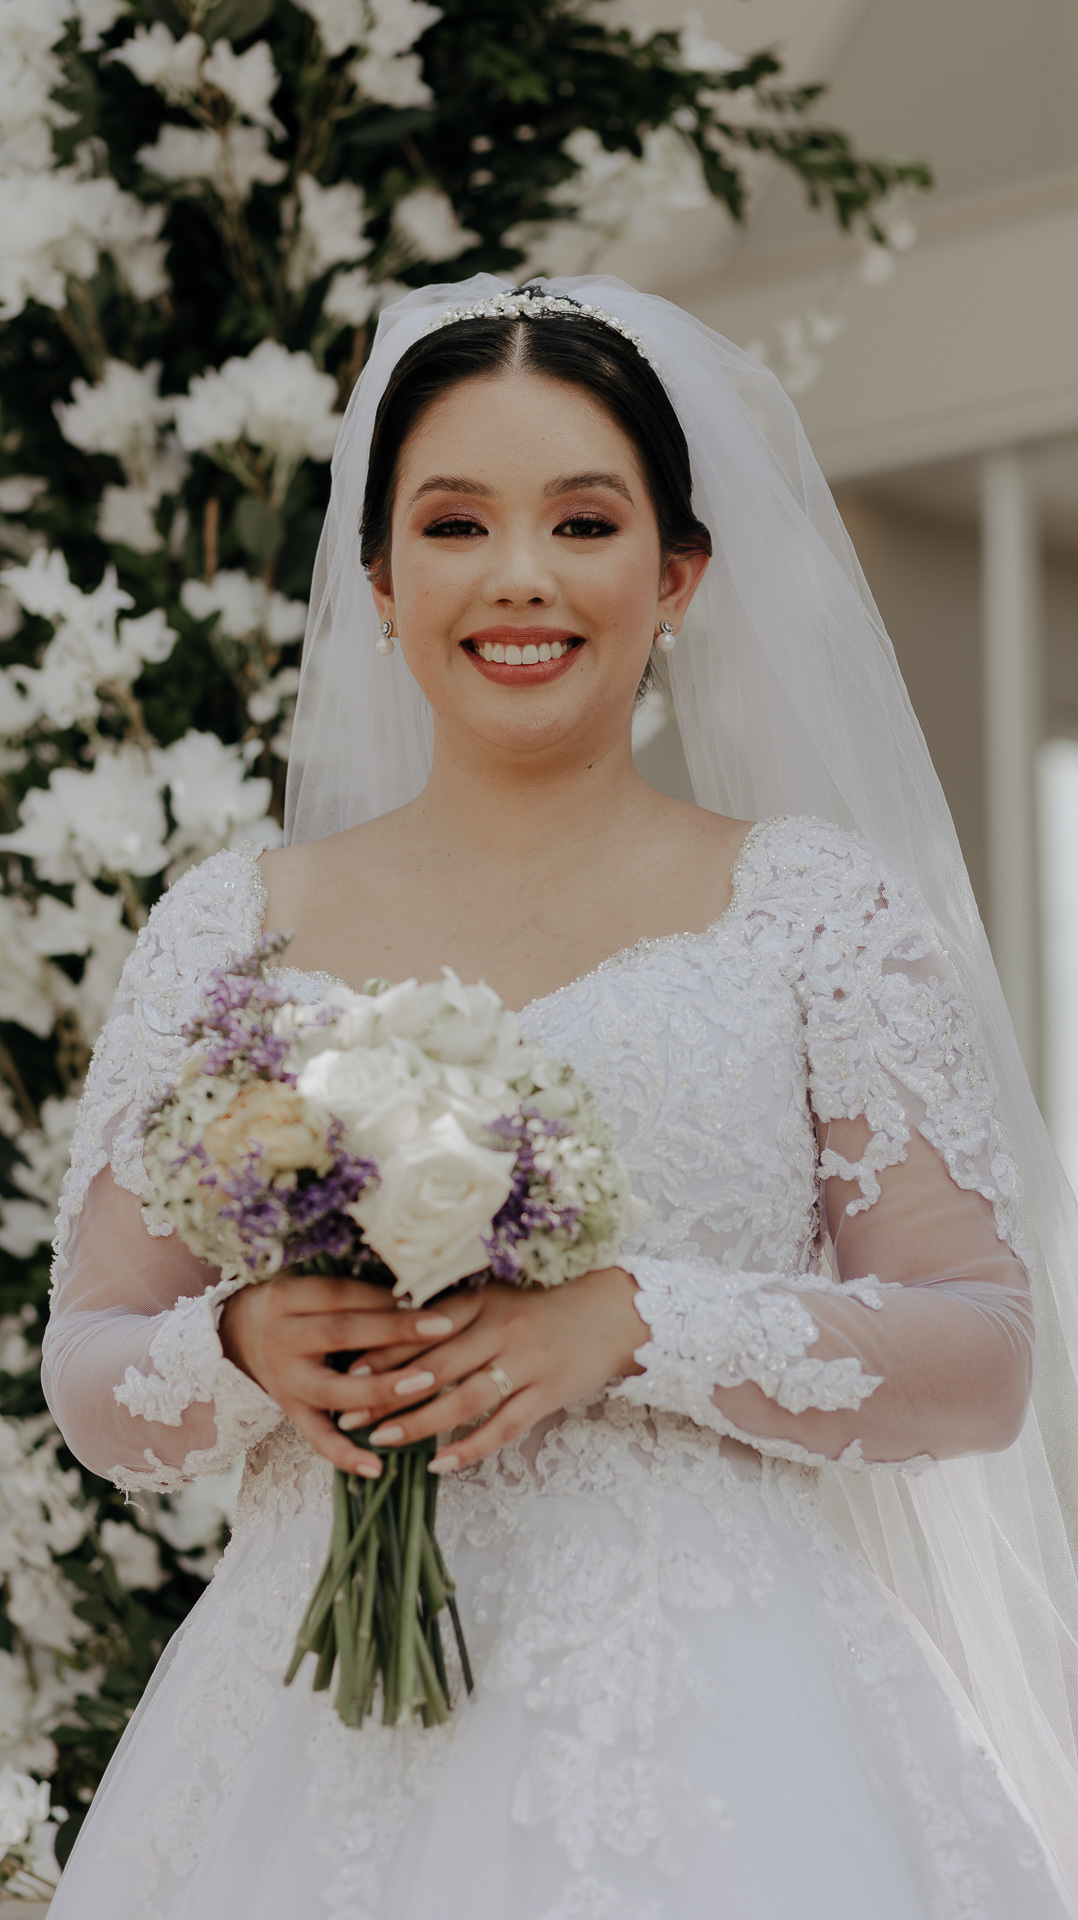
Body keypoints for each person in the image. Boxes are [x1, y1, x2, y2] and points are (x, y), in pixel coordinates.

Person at [41, 278, 1078, 1919]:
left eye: (583, 522)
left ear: (676, 573)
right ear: (378, 582)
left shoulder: (813, 914)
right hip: (313, 1745)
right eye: (455, 525)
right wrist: (246, 1344)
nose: (518, 576)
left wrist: (634, 1322)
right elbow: (93, 1377)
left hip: (730, 1737)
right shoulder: (232, 929)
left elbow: (981, 1357)